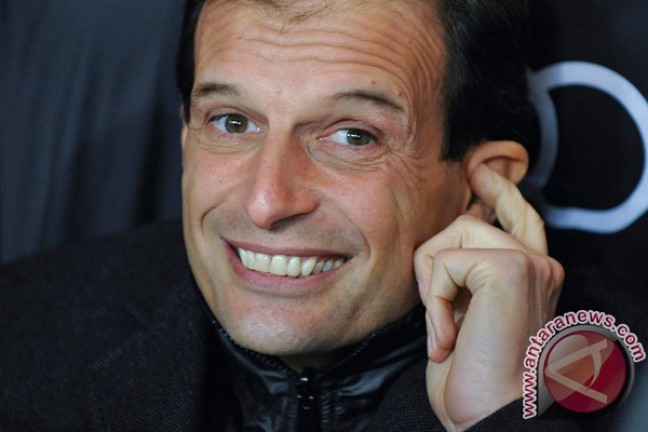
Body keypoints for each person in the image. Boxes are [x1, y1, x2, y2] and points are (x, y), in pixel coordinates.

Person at [1, 0, 581, 430]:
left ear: (482, 187)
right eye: (232, 122)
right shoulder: (20, 332)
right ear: (186, 138)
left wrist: (497, 417)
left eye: (353, 136)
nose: (266, 201)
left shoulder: (611, 382)